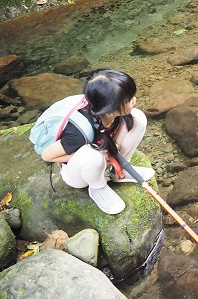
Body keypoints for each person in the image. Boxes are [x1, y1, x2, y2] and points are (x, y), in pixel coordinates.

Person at [41, 68, 153, 214]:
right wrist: (98, 152)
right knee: (92, 154)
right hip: (79, 173)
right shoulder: (78, 132)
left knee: (138, 118)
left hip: (103, 156)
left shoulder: (104, 109)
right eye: (129, 98)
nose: (134, 100)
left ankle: (119, 171)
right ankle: (98, 187)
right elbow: (47, 156)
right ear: (111, 108)